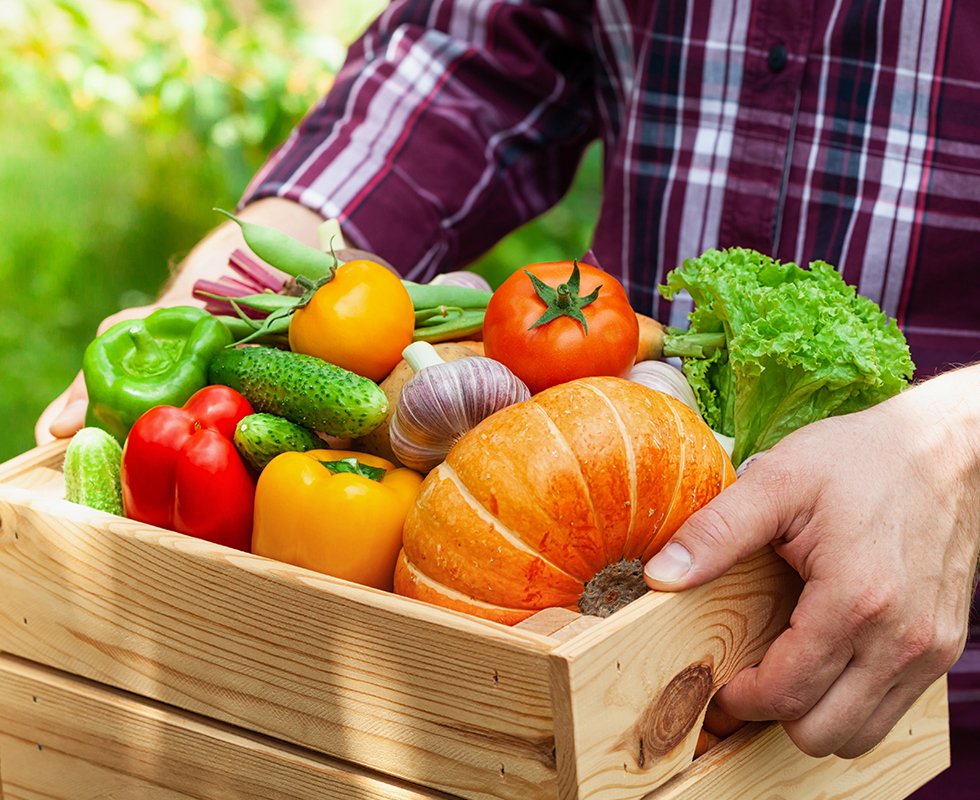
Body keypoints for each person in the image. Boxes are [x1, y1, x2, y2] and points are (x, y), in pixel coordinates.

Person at [36, 1, 980, 794]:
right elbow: (467, 55)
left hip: (940, 700)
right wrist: (248, 289)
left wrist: (957, 447)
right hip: (598, 607)